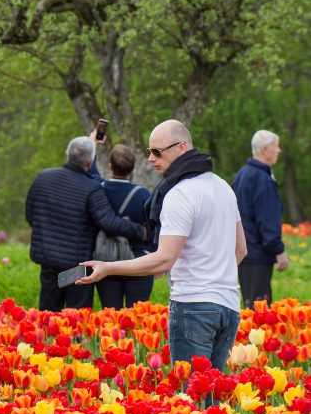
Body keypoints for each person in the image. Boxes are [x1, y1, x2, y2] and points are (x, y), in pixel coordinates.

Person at [79, 120, 247, 375]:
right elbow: (241, 250)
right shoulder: (223, 187)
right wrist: (214, 276)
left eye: (157, 152)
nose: (150, 158)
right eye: (149, 151)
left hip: (193, 306)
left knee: (191, 398)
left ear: (181, 147)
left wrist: (108, 268)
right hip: (229, 306)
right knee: (212, 401)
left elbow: (164, 260)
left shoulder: (180, 193)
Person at [25, 136, 146, 311]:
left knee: (48, 315)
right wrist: (140, 231)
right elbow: (109, 223)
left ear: (67, 155)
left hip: (48, 259)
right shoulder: (91, 188)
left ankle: (47, 338)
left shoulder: (42, 178)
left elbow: (31, 215)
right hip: (76, 265)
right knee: (77, 318)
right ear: (90, 163)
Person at [233, 130, 288, 308]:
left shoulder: (242, 175)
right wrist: (278, 251)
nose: (278, 150)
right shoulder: (262, 179)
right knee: (260, 310)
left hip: (244, 252)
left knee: (249, 304)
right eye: (276, 146)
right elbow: (267, 219)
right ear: (265, 149)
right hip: (259, 254)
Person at [95, 145, 155, 309]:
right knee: (137, 316)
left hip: (106, 260)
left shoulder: (99, 190)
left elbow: (91, 172)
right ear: (132, 169)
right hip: (138, 261)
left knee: (111, 315)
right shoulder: (143, 194)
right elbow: (153, 230)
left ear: (110, 166)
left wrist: (94, 143)